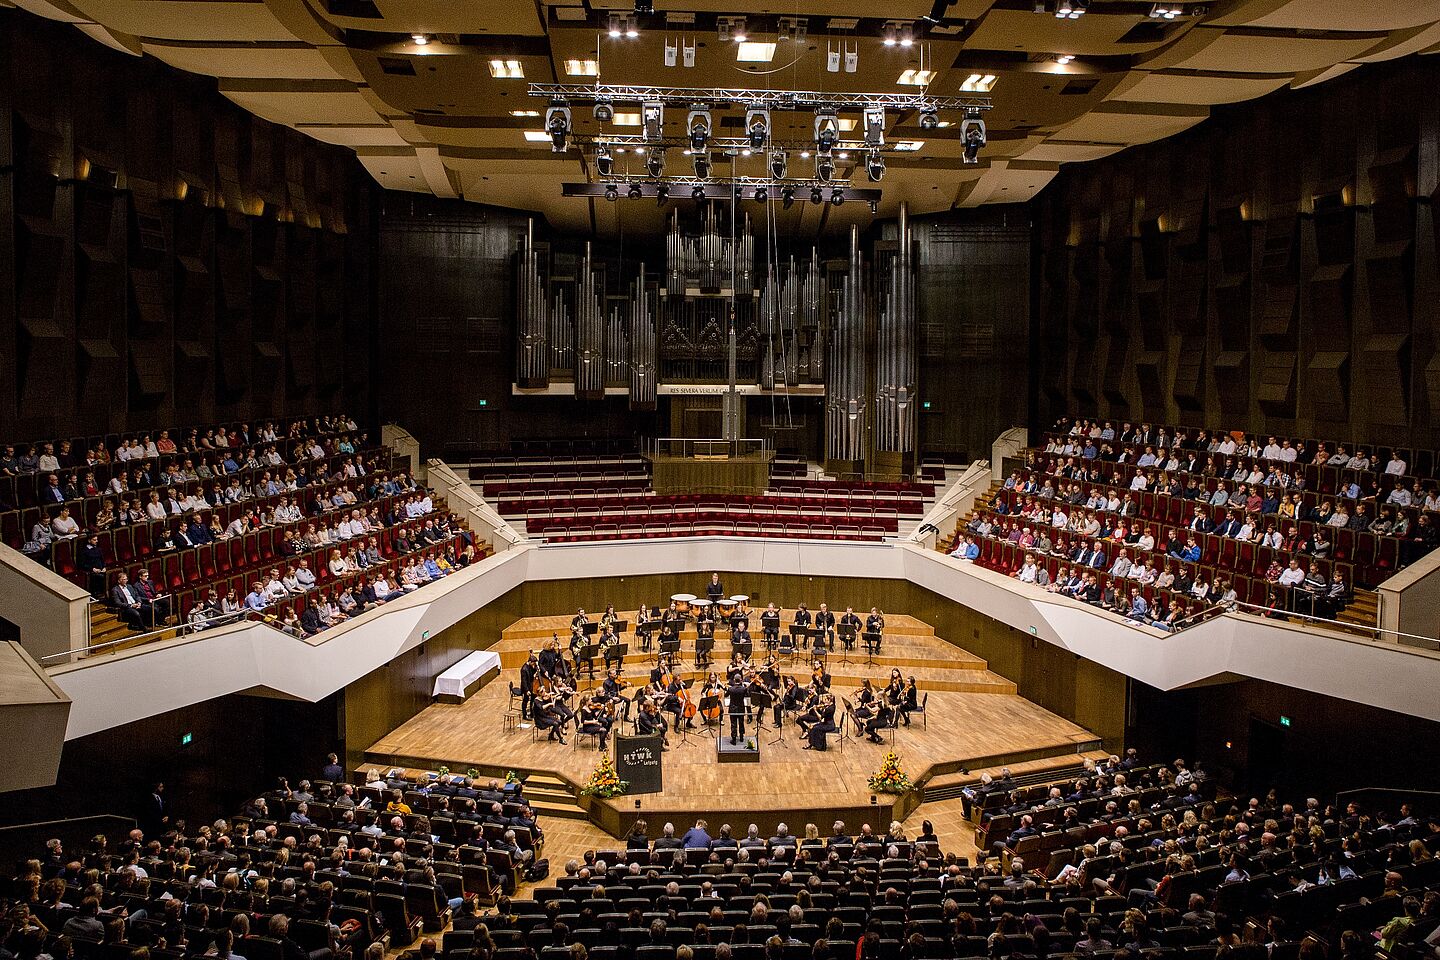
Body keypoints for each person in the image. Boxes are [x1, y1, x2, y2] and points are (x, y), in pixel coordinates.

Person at [726, 675, 748, 746]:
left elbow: (726, 695)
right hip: (741, 708)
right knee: (741, 722)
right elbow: (747, 695)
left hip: (732, 708)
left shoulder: (730, 689)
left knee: (733, 724)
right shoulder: (744, 689)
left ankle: (734, 739)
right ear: (741, 680)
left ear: (734, 680)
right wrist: (745, 686)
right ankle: (741, 737)